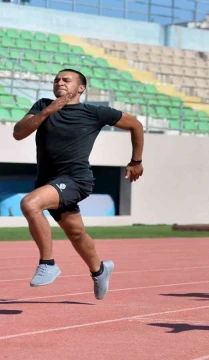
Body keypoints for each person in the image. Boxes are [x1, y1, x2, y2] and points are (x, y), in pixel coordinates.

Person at [12, 69, 145, 300]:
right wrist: (47, 112)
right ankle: (99, 270)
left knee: (30, 204)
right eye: (56, 80)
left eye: (66, 79)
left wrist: (136, 161)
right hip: (48, 181)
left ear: (80, 88)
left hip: (76, 179)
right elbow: (18, 133)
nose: (59, 82)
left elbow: (135, 125)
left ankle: (48, 263)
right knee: (76, 233)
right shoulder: (42, 105)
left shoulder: (94, 112)